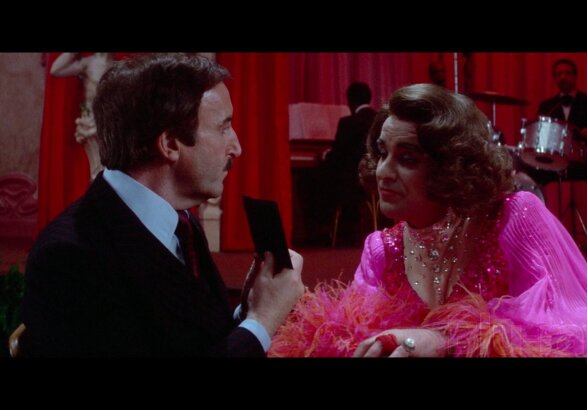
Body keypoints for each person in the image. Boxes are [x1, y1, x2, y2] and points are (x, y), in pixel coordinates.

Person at [269, 83, 587, 357]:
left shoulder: (512, 218)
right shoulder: (381, 249)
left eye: (407, 159)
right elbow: (350, 341)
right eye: (382, 153)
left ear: (452, 166)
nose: (383, 172)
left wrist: (449, 339)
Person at [21, 53, 304, 357]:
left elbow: (189, 339)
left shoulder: (181, 222)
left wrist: (249, 312)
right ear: (169, 144)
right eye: (223, 128)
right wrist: (262, 322)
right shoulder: (71, 258)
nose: (236, 147)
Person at [536, 58, 587, 251]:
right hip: (555, 160)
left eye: (567, 73)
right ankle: (539, 234)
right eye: (558, 74)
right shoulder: (547, 106)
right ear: (554, 78)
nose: (563, 77)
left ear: (575, 76)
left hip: (583, 160)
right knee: (533, 175)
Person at [323, 82, 377, 245]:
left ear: (350, 101)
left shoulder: (348, 123)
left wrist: (325, 155)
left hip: (353, 182)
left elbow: (338, 155)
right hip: (377, 179)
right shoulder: (380, 119)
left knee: (320, 178)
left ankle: (330, 230)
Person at [50, 53, 115, 179]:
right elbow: (56, 70)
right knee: (97, 168)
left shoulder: (117, 66)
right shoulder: (88, 63)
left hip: (109, 123)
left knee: (108, 168)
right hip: (90, 123)